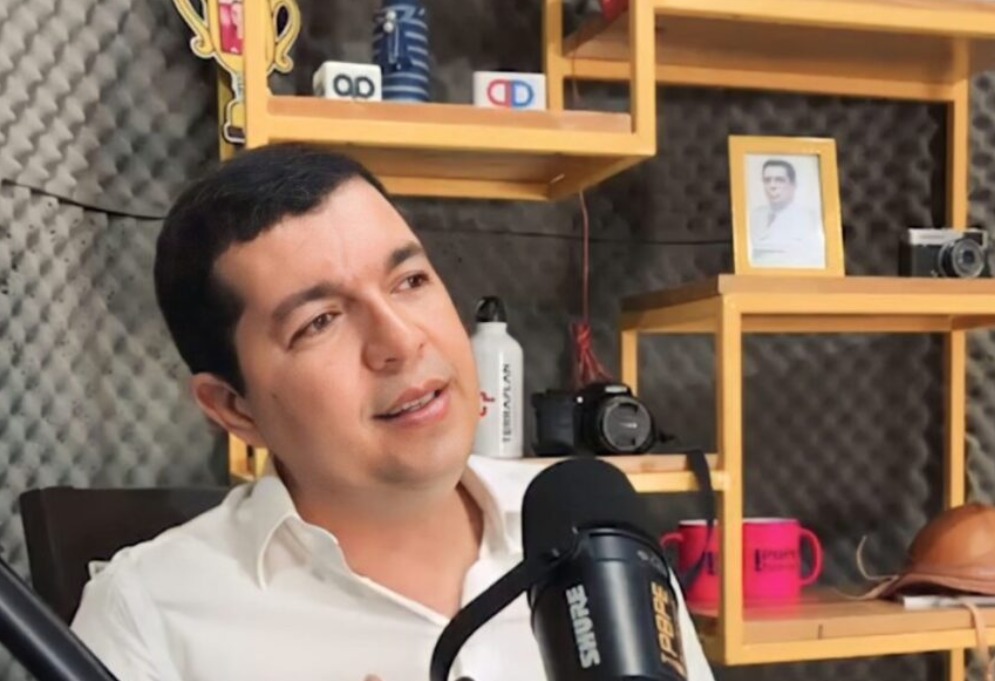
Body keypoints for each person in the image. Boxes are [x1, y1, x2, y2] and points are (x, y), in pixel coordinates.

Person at [69, 143, 716, 681]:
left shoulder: (596, 532)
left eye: (410, 281)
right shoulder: (147, 615)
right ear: (235, 409)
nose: (401, 341)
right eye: (320, 321)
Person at [748, 158, 826, 268]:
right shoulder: (755, 216)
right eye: (767, 180)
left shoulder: (808, 219)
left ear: (793, 185)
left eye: (779, 180)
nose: (772, 186)